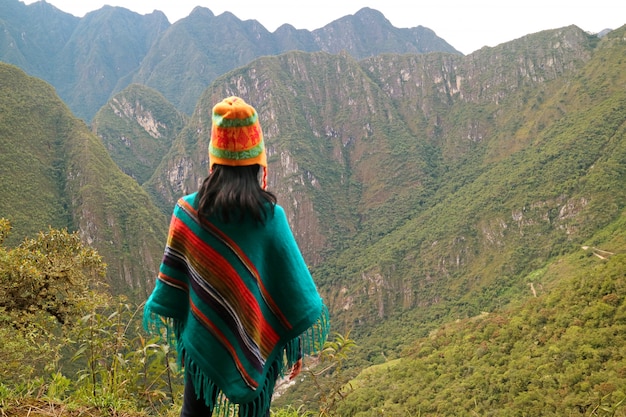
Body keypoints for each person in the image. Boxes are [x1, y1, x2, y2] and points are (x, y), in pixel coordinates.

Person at [143, 96, 330, 417]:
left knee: (194, 412)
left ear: (214, 158)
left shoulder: (187, 213)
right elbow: (291, 292)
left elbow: (178, 285)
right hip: (255, 338)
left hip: (203, 334)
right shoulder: (270, 218)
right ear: (258, 160)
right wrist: (294, 346)